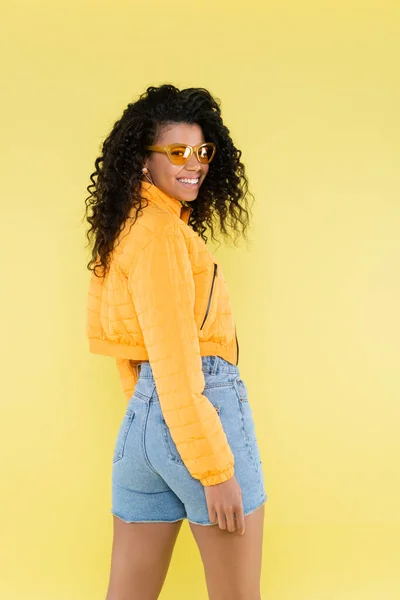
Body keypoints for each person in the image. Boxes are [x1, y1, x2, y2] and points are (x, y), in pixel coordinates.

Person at [84, 84, 267, 600]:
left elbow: (132, 353)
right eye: (177, 152)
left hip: (144, 422)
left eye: (202, 151)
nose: (195, 164)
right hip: (199, 414)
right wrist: (214, 468)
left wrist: (147, 421)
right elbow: (178, 359)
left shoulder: (129, 227)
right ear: (144, 162)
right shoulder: (163, 235)